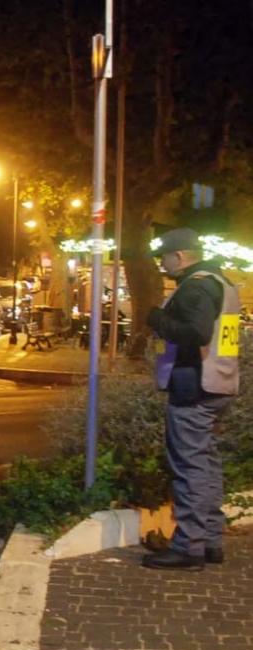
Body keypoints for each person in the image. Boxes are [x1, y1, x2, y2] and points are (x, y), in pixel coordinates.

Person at [143, 227, 240, 570]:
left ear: (180, 256)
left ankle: (189, 547)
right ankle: (210, 542)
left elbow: (195, 333)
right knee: (207, 465)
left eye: (164, 258)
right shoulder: (222, 283)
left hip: (193, 388)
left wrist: (157, 318)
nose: (161, 265)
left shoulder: (195, 286)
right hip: (218, 385)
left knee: (190, 468)